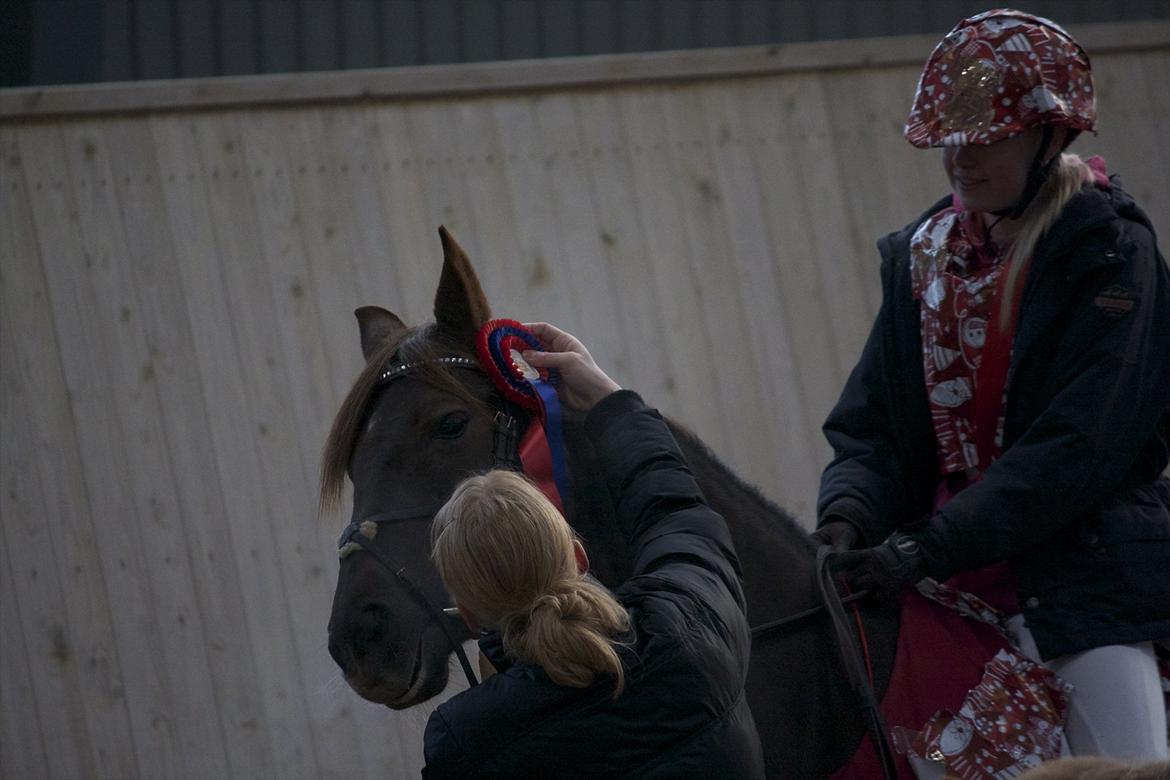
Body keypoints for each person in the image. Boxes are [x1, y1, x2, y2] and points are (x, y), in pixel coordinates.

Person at [814, 9, 1170, 763]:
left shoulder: (1110, 254)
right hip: (941, 581)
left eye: (986, 140)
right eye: (950, 140)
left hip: (1083, 590)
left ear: (1050, 136)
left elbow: (1080, 448)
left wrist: (927, 545)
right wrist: (845, 520)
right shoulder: (922, 257)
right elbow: (872, 427)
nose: (959, 161)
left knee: (1133, 765)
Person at [422, 322, 765, 779]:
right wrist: (609, 400)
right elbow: (674, 508)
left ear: (468, 616)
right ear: (579, 560)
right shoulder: (691, 627)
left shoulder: (463, 744)